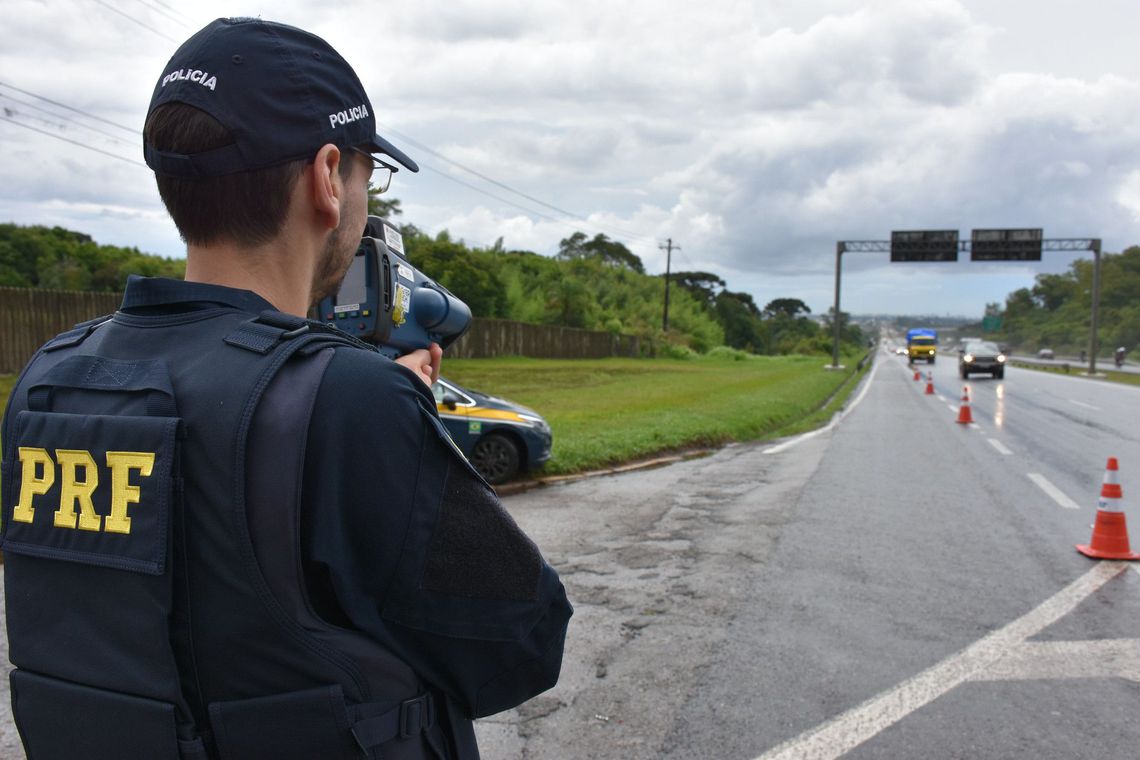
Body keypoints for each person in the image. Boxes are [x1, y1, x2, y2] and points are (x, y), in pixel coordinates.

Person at [1, 18, 570, 760]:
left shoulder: (52, 376)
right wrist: (393, 420)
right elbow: (522, 643)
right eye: (371, 176)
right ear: (326, 177)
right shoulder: (349, 402)